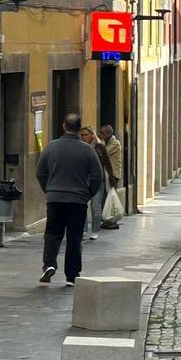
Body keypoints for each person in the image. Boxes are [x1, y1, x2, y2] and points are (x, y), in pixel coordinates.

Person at [36, 114, 103, 288]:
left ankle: (49, 264)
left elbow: (40, 173)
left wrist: (49, 189)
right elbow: (97, 177)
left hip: (55, 198)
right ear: (79, 129)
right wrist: (87, 194)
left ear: (64, 126)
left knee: (52, 234)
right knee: (75, 237)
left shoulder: (51, 148)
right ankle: (72, 275)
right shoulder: (87, 150)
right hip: (78, 200)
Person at [79, 126, 112, 241]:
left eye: (86, 135)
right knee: (82, 207)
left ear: (92, 135)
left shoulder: (99, 147)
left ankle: (95, 230)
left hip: (97, 181)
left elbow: (107, 163)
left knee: (95, 208)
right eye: (82, 135)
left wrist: (112, 180)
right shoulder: (79, 147)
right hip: (82, 181)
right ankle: (83, 230)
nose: (83, 137)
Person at [99, 124, 123, 229]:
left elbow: (104, 152)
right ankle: (107, 220)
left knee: (111, 197)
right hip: (107, 174)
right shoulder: (108, 142)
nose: (101, 135)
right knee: (106, 197)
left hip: (112, 174)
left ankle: (112, 220)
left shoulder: (115, 143)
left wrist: (100, 143)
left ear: (109, 134)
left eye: (102, 133)